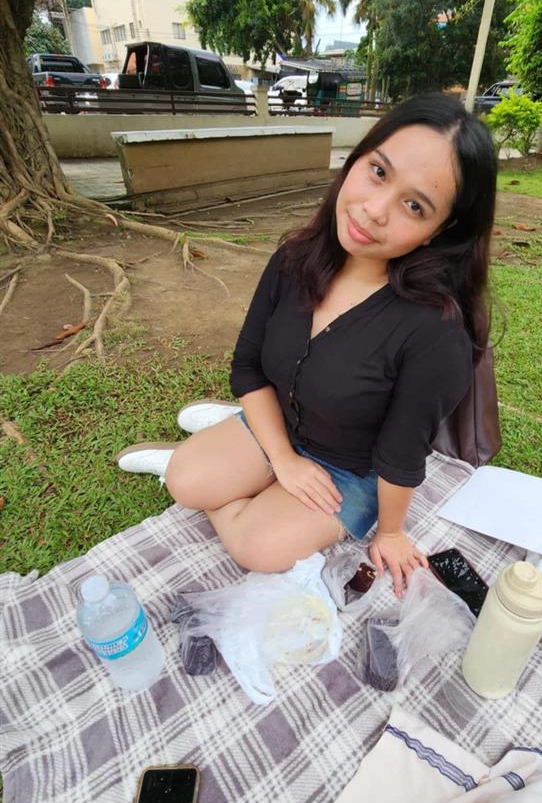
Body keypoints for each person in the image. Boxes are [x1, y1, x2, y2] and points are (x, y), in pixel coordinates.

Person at [117, 93, 497, 596]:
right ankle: (230, 446)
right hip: (282, 422)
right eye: (378, 172)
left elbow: (400, 452)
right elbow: (250, 367)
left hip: (352, 469)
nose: (374, 210)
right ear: (357, 158)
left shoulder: (436, 332)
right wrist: (283, 461)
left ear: (441, 229)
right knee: (185, 481)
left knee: (259, 548)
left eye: (414, 205)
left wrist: (389, 533)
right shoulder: (296, 258)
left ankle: (234, 458)